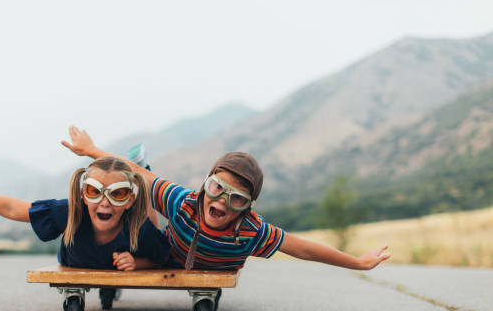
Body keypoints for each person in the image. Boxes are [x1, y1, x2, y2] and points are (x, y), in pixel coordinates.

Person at [62, 126, 390, 271]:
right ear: (206, 185)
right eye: (217, 189)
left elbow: (302, 248)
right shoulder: (185, 202)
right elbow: (134, 172)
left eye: (236, 200)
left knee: (147, 187)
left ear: (248, 208)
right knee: (143, 190)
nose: (221, 203)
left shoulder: (252, 230)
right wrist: (91, 151)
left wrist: (358, 263)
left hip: (204, 261)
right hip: (168, 251)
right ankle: (147, 161)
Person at [0, 156, 169, 272]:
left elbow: (163, 257)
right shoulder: (69, 213)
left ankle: (142, 174)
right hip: (79, 260)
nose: (104, 203)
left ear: (128, 200)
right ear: (83, 195)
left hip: (135, 228)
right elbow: (12, 208)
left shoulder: (139, 230)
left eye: (117, 195)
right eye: (95, 192)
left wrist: (137, 262)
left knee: (144, 222)